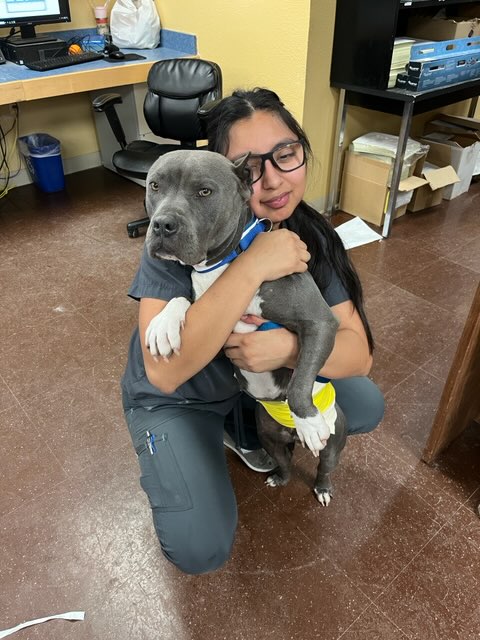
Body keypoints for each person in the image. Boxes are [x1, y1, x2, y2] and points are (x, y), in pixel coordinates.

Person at [121, 87, 384, 576]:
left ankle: (246, 417)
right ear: (230, 178)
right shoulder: (178, 232)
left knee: (364, 404)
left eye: (286, 154)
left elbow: (358, 353)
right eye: (250, 167)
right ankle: (217, 430)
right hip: (182, 393)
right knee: (200, 547)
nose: (272, 179)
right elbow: (164, 372)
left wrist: (285, 349)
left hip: (254, 379)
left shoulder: (306, 232)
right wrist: (254, 265)